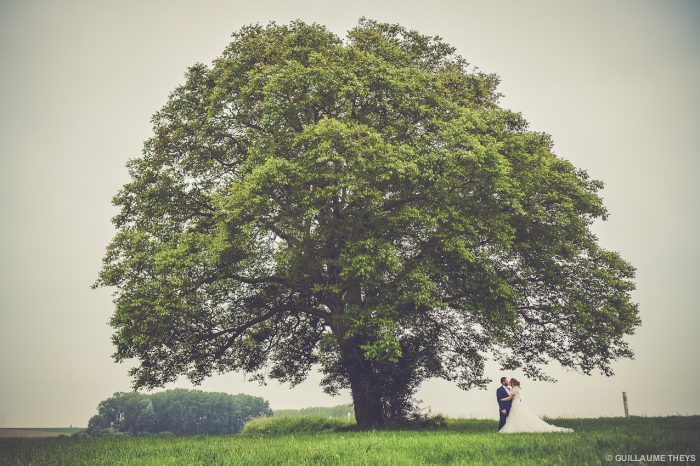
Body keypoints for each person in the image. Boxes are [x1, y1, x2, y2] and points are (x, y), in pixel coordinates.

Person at [498, 378, 573, 433]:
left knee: (517, 416)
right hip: (517, 403)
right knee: (519, 417)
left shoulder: (514, 389)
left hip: (516, 404)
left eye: (510, 382)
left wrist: (501, 399)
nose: (509, 383)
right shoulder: (516, 388)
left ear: (513, 383)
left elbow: (510, 398)